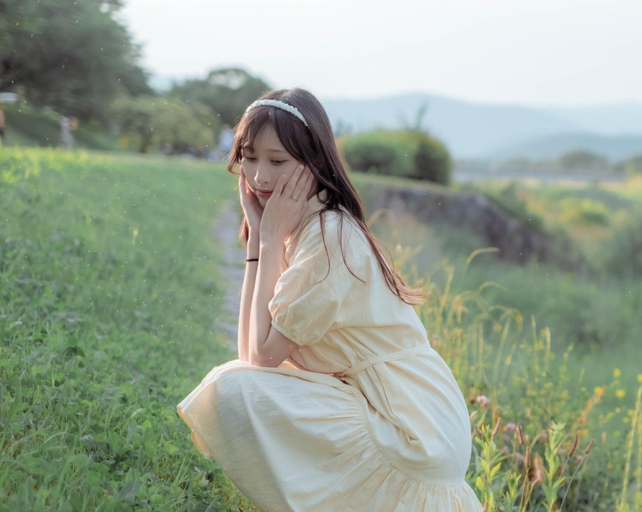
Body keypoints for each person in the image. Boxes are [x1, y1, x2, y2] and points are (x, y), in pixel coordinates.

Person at [177, 88, 483, 511]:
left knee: (232, 389)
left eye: (277, 160)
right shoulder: (300, 227)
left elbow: (260, 357)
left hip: (412, 422)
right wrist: (259, 237)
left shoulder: (328, 236)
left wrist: (266, 239)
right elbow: (250, 350)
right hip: (381, 401)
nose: (260, 176)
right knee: (234, 384)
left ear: (314, 162)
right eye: (249, 156)